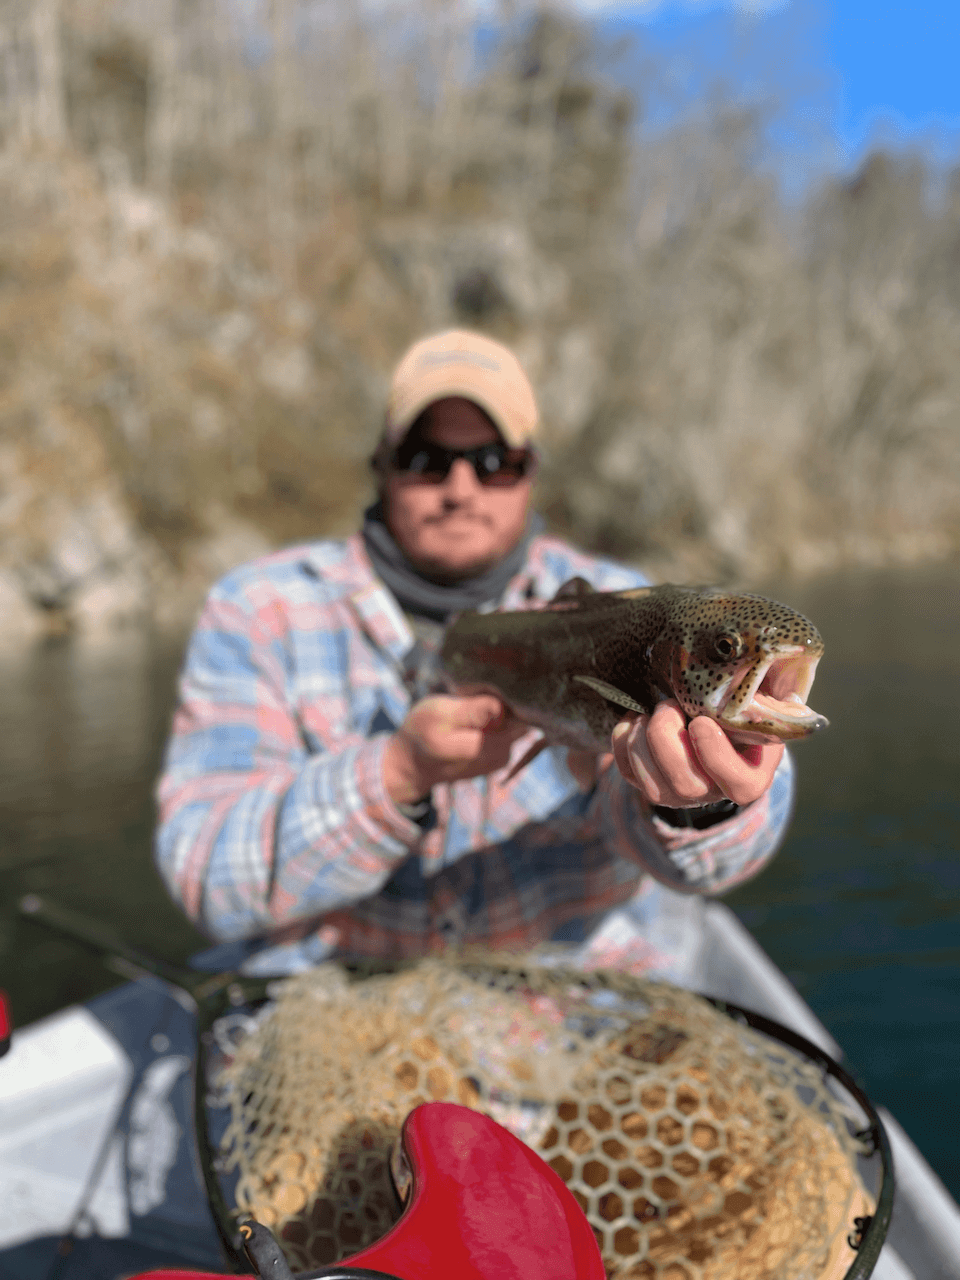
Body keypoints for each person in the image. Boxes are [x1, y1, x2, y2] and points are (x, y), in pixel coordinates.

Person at [155, 329, 793, 977]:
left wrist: (706, 803)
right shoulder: (257, 610)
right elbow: (205, 878)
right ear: (383, 464)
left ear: (529, 472)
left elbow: (715, 859)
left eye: (493, 463)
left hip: (570, 1000)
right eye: (427, 459)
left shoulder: (626, 607)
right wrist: (397, 774)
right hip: (343, 994)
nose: (461, 488)